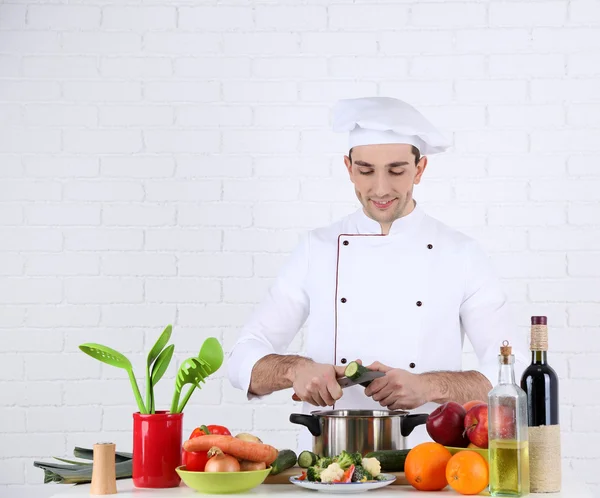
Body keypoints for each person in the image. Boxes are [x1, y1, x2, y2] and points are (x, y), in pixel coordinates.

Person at [227, 96, 528, 450]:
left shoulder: (462, 254)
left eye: (397, 170)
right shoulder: (316, 248)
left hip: (429, 460)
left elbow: (515, 371)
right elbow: (241, 358)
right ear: (348, 167)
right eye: (366, 170)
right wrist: (295, 370)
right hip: (328, 460)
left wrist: (429, 386)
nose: (381, 188)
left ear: (420, 169)